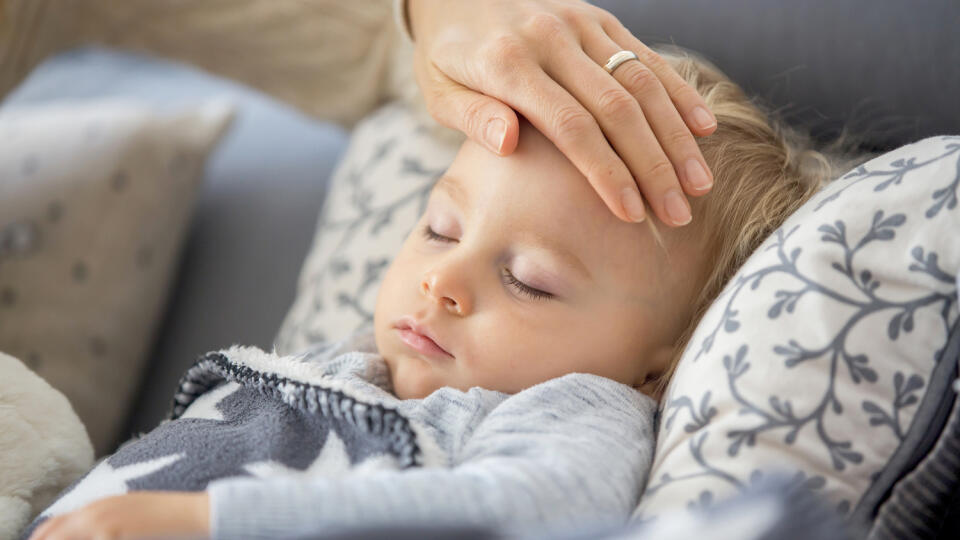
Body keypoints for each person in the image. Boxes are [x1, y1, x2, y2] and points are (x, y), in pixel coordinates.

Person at [26, 49, 835, 540]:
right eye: (442, 229)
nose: (441, 281)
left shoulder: (574, 411)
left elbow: (533, 509)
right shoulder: (343, 361)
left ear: (655, 367)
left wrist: (214, 525)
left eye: (529, 282)